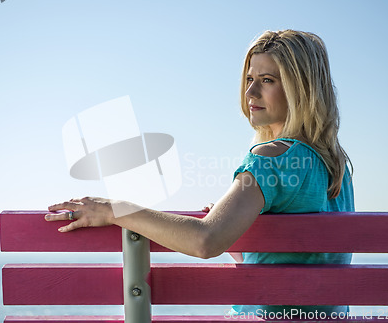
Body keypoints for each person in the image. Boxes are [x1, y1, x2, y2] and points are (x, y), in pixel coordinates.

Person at [46, 29, 354, 319]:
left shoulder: (271, 158)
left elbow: (204, 240)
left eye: (267, 80)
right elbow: (300, 262)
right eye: (249, 78)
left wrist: (114, 210)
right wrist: (239, 235)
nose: (250, 91)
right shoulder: (336, 168)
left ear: (300, 90)